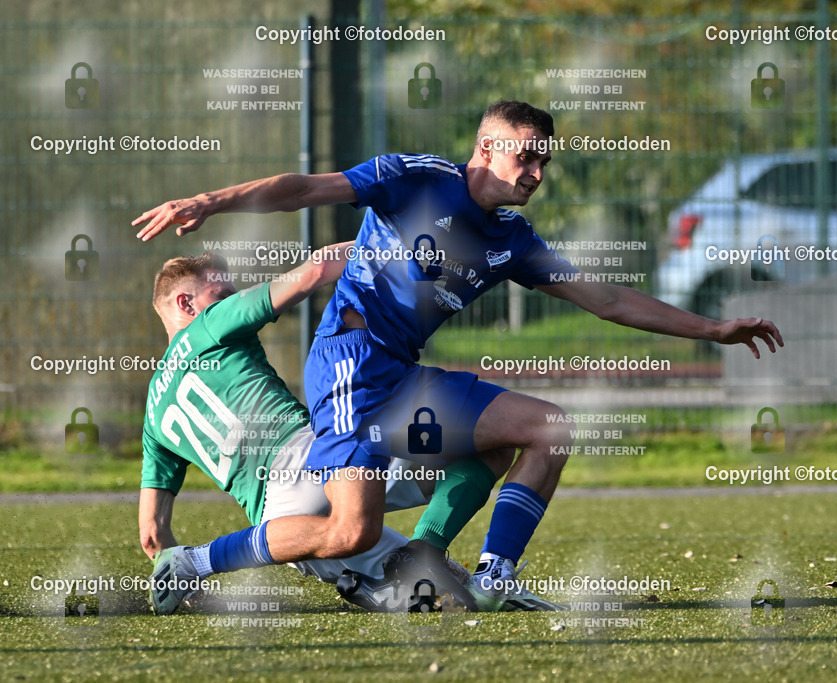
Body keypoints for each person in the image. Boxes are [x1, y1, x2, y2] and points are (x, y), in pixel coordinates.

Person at [134, 100, 783, 611]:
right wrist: (209, 202)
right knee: (348, 532)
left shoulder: (513, 240)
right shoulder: (412, 178)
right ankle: (194, 562)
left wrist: (713, 327)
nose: (535, 172)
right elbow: (305, 189)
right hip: (350, 366)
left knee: (543, 429)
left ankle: (481, 573)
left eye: (543, 162)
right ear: (486, 149)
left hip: (404, 376)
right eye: (525, 157)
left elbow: (608, 298)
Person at [140, 246, 505, 613]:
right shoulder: (209, 325)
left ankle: (372, 587)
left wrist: (189, 593)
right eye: (221, 294)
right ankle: (407, 570)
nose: (232, 299)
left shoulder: (153, 415)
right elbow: (316, 270)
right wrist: (391, 242)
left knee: (437, 593)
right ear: (186, 303)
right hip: (313, 455)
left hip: (284, 528)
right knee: (486, 446)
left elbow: (153, 537)